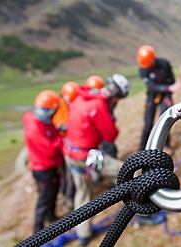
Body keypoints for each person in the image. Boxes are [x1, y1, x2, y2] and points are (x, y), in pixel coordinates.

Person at [62, 74, 130, 246]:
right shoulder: (99, 105)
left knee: (83, 194)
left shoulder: (80, 96)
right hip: (86, 157)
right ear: (116, 97)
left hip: (70, 154)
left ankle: (83, 234)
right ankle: (144, 213)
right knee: (129, 172)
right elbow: (111, 135)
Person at [23, 90, 64, 234]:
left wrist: (58, 132)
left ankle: (51, 218)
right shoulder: (35, 127)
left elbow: (51, 134)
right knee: (44, 199)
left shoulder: (43, 122)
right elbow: (49, 150)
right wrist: (61, 140)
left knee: (52, 193)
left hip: (49, 166)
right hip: (43, 169)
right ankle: (38, 232)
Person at [136, 45, 181, 154]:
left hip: (165, 95)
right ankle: (141, 148)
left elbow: (171, 79)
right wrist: (168, 88)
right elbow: (151, 86)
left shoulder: (164, 64)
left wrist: (168, 95)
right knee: (147, 124)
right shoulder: (143, 70)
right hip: (152, 95)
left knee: (165, 119)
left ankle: (166, 145)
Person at [52, 81, 80, 211]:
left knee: (68, 172)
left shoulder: (70, 103)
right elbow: (57, 124)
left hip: (69, 143)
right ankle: (67, 197)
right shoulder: (57, 105)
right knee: (67, 173)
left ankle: (67, 196)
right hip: (62, 144)